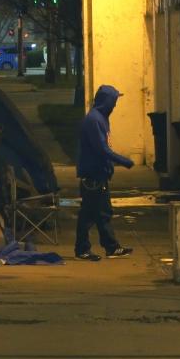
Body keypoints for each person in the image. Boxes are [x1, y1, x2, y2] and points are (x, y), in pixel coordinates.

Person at [75, 85, 135, 261]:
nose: (115, 105)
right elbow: (102, 149)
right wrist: (124, 161)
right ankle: (91, 249)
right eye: (114, 101)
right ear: (106, 101)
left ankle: (105, 247)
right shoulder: (95, 120)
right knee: (95, 214)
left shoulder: (99, 118)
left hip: (97, 174)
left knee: (97, 213)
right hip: (93, 176)